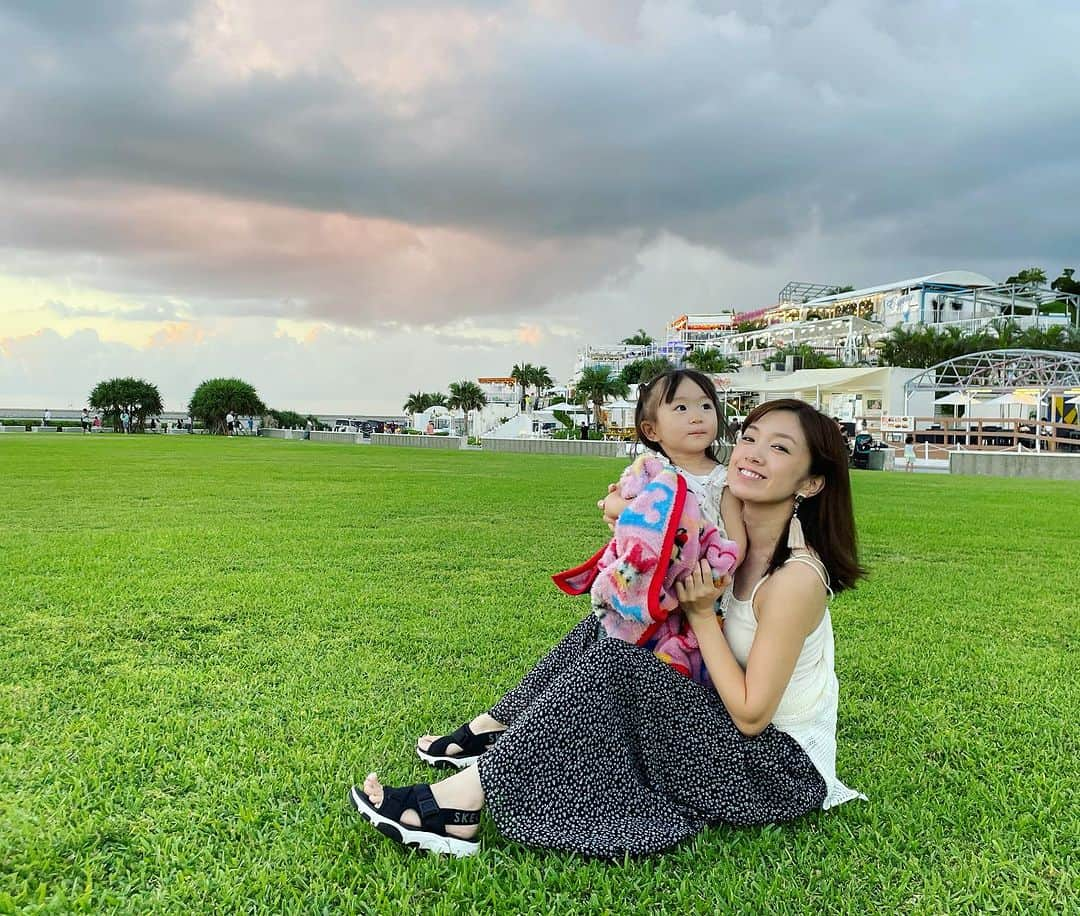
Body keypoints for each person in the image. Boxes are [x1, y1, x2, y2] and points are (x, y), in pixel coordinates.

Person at [350, 397, 867, 858]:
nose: (752, 453)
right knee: (603, 633)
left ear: (812, 481)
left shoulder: (795, 579)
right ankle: (503, 737)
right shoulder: (738, 535)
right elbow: (677, 509)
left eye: (778, 448)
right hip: (734, 738)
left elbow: (754, 716)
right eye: (749, 438)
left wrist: (701, 614)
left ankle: (457, 806)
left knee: (620, 663)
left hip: (778, 772)